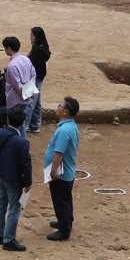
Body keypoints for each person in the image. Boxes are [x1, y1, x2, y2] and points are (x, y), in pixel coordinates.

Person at [0, 107, 32, 251]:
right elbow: (26, 165)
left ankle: (0, 234)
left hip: (0, 175)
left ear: (8, 119)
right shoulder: (22, 142)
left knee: (0, 206)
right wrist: (28, 182)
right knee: (14, 209)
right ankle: (8, 239)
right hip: (14, 180)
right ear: (22, 123)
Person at [45, 97, 80, 241]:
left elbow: (59, 153)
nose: (57, 107)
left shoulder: (64, 131)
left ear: (65, 112)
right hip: (68, 170)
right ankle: (65, 221)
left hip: (61, 172)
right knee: (65, 199)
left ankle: (64, 230)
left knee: (60, 200)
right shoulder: (70, 126)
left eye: (60, 105)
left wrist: (54, 171)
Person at [2, 36, 37, 137]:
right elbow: (33, 75)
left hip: (15, 100)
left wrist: (25, 93)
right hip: (26, 97)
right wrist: (30, 93)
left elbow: (17, 85)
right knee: (20, 124)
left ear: (9, 48)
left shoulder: (12, 66)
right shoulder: (26, 59)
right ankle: (23, 143)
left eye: (5, 48)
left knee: (13, 126)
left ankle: (17, 145)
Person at [26, 27, 52, 133]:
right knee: (37, 102)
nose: (30, 38)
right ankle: (35, 124)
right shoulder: (42, 47)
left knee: (30, 102)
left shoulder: (38, 50)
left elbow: (39, 68)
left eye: (32, 36)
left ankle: (26, 125)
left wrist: (35, 80)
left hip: (36, 78)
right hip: (39, 78)